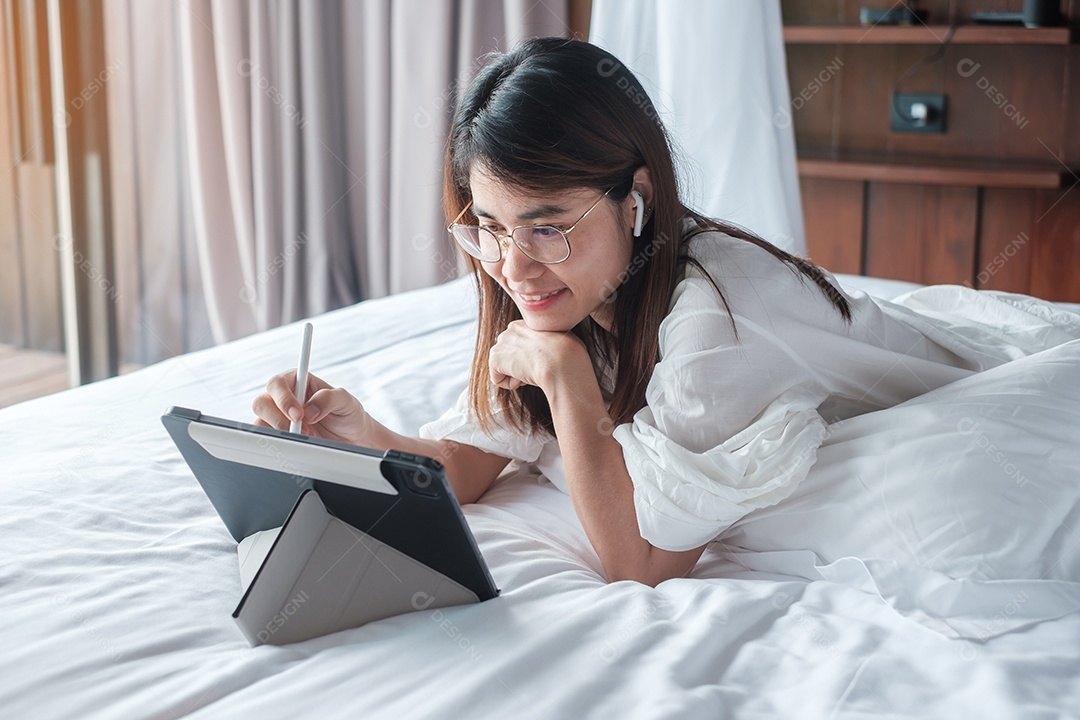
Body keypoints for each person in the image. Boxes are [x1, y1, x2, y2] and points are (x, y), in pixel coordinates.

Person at [252, 37, 1080, 587]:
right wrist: (362, 438)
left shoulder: (712, 319)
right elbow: (472, 460)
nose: (512, 266)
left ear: (637, 201)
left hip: (973, 400)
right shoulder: (572, 285)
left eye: (547, 225)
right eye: (492, 229)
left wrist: (567, 377)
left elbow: (641, 562)